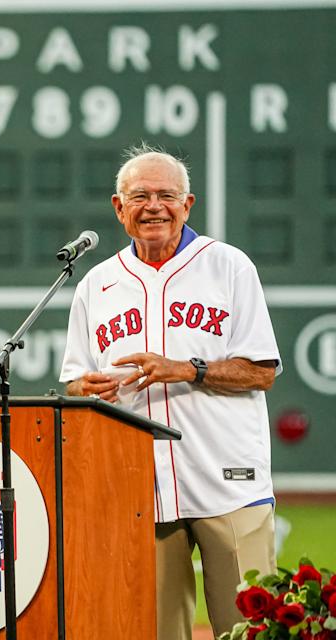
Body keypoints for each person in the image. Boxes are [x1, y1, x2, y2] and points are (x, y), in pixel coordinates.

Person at [59, 143, 281, 640]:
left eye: (166, 195)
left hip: (229, 483)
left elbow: (262, 371)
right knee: (154, 632)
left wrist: (186, 368)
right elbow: (74, 379)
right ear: (119, 208)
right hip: (141, 489)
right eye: (140, 195)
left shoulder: (228, 266)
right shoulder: (96, 284)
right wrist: (85, 389)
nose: (154, 206)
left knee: (250, 629)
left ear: (188, 204)